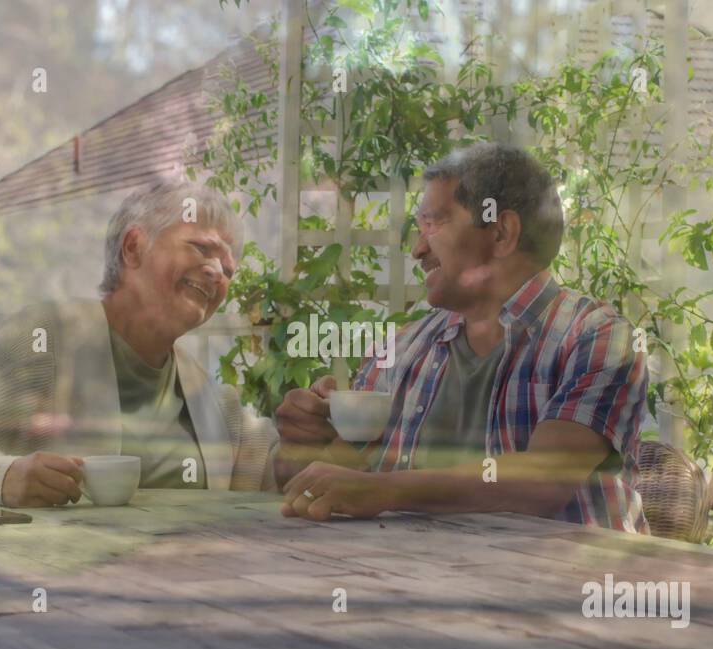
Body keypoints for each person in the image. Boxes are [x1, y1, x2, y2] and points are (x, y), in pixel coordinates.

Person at [274, 143, 649, 532]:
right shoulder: (402, 349)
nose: (418, 249)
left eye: (434, 225)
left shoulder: (598, 338)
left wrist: (384, 490)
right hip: (409, 582)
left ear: (501, 232)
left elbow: (545, 479)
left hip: (564, 586)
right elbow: (326, 477)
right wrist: (303, 443)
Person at [0, 179, 277, 507]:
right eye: (200, 248)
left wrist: (317, 425)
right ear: (133, 248)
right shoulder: (45, 339)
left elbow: (276, 468)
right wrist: (6, 477)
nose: (217, 273)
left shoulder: (207, 396)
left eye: (229, 270)